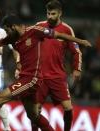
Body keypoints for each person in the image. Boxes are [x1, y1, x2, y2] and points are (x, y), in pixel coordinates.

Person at [0, 14, 91, 131]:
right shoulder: (13, 38)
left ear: (13, 26)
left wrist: (81, 41)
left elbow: (59, 35)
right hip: (24, 77)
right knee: (33, 115)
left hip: (33, 79)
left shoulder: (35, 31)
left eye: (7, 30)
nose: (7, 33)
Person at [35, 1, 82, 130]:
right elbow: (26, 45)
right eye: (48, 13)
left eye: (53, 14)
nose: (50, 16)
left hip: (58, 76)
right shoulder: (39, 26)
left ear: (60, 13)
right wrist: (20, 64)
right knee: (35, 110)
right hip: (40, 76)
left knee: (68, 108)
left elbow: (76, 51)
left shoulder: (66, 30)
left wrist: (77, 68)